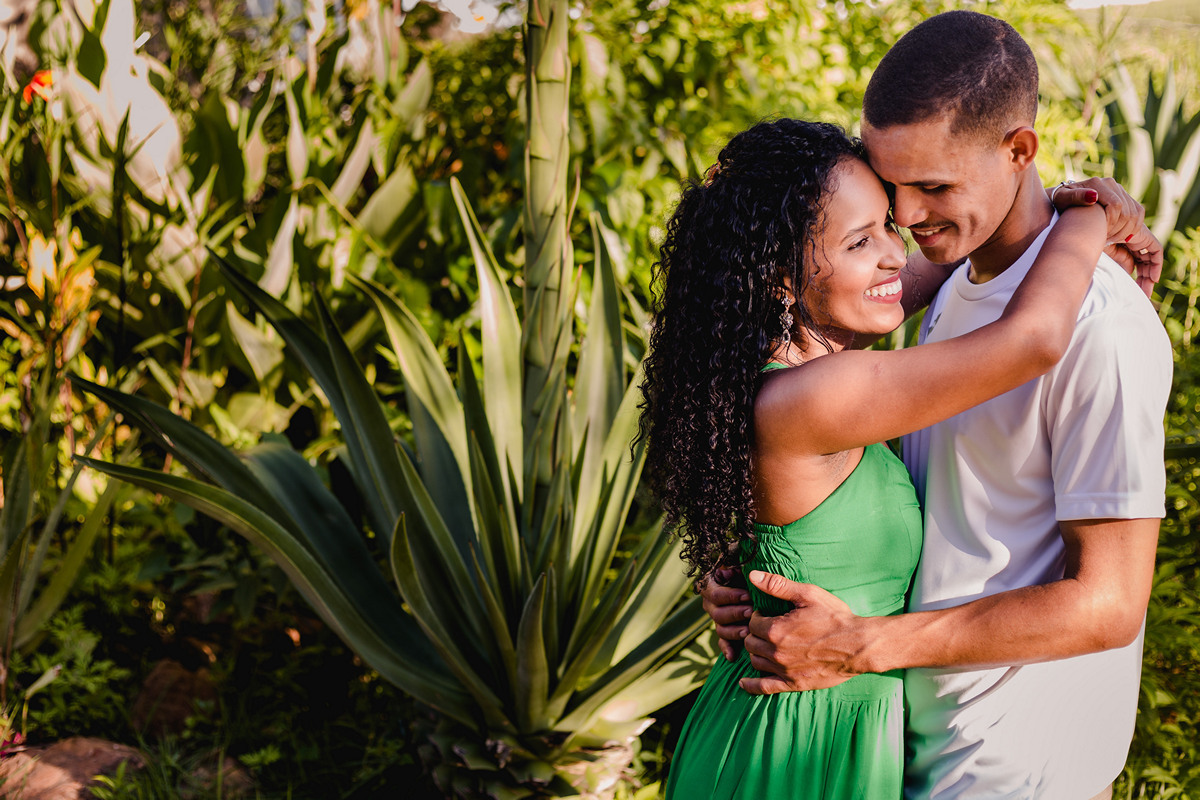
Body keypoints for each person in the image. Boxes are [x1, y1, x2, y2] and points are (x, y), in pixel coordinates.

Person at [699, 11, 1173, 800]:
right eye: (892, 192)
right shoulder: (948, 281)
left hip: (1015, 767)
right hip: (899, 739)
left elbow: (1110, 604)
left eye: (933, 187)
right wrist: (753, 580)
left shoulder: (1100, 326)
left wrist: (861, 645)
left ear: (1018, 149)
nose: (909, 220)